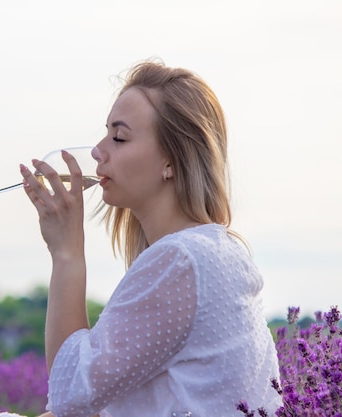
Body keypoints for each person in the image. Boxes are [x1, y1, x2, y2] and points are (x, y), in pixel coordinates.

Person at [18, 60, 281, 417]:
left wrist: (66, 254)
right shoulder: (216, 251)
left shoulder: (182, 261)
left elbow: (70, 395)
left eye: (119, 137)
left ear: (171, 161)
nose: (97, 151)